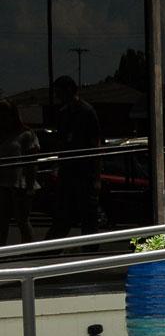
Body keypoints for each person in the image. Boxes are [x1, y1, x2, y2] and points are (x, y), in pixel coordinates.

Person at [46, 75, 103, 240]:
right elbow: (62, 143)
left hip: (84, 170)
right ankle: (54, 247)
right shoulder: (64, 113)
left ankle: (89, 249)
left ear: (69, 90)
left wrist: (97, 176)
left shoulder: (86, 112)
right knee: (65, 211)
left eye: (59, 92)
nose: (57, 97)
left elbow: (95, 144)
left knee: (87, 214)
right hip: (69, 169)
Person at [0, 100, 40, 245]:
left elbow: (32, 161)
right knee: (2, 220)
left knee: (22, 220)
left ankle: (28, 251)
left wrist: (30, 186)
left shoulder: (26, 134)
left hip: (19, 183)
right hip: (3, 181)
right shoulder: (2, 134)